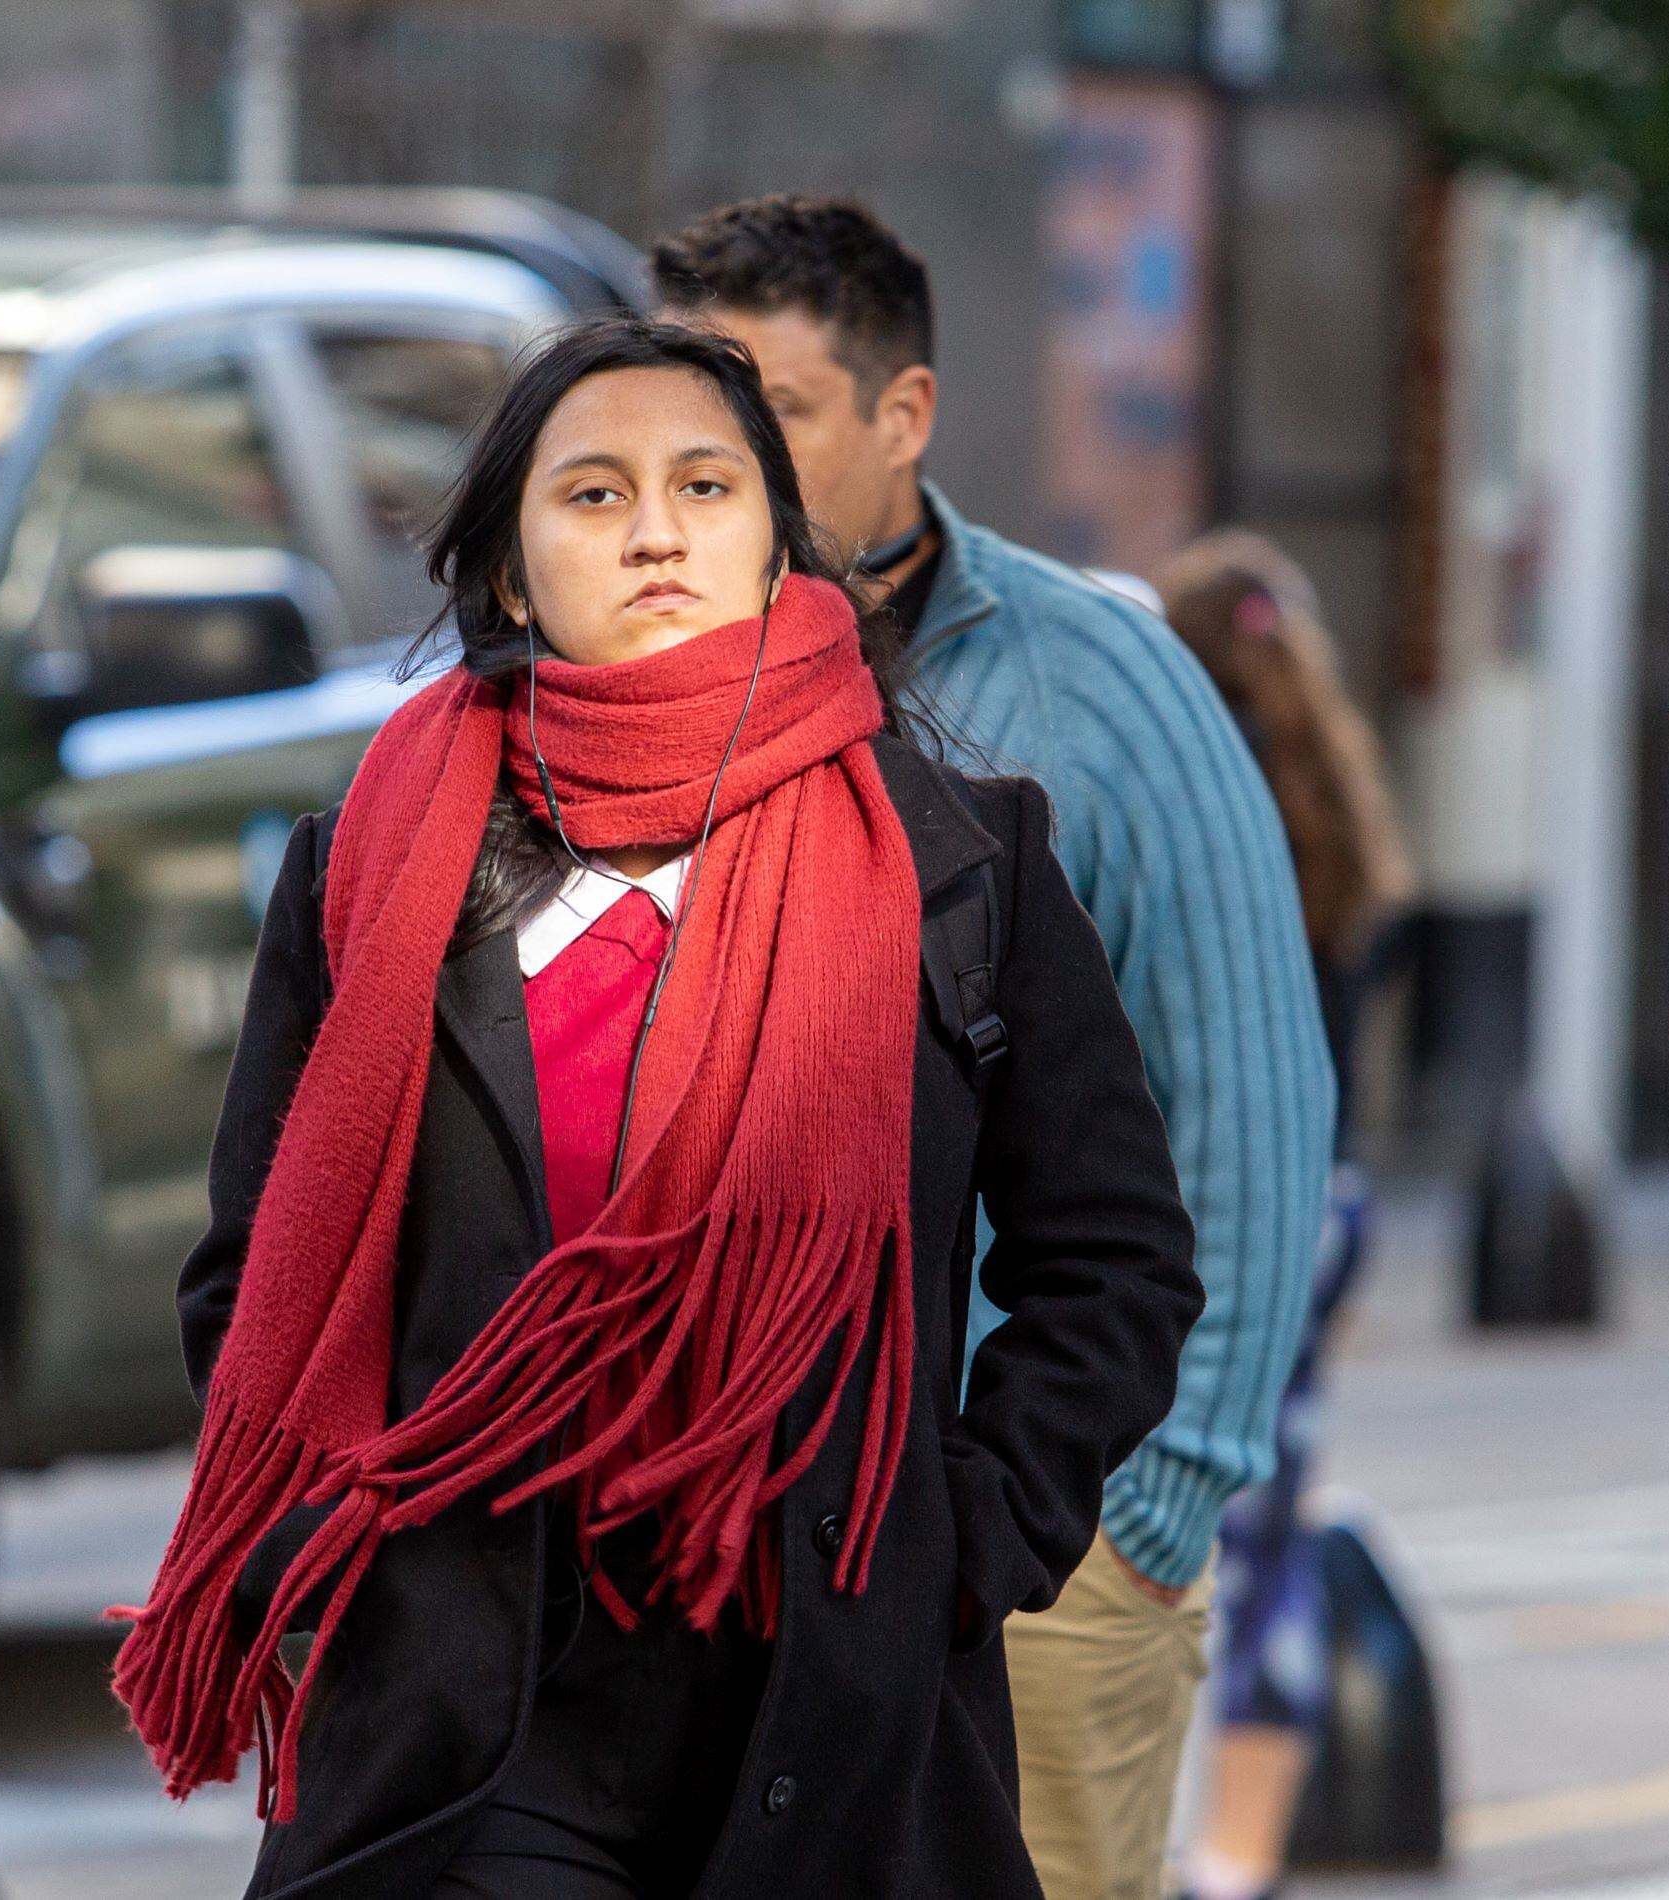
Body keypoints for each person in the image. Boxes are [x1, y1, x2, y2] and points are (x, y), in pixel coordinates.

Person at [113, 314, 1203, 1900]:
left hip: (824, 1686)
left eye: (703, 487)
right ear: (507, 570)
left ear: (775, 551)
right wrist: (339, 1563)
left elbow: (1115, 1263)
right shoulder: (365, 870)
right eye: (594, 496)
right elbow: (252, 1269)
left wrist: (963, 1540)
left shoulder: (961, 866)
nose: (654, 533)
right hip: (479, 1703)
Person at [653, 196, 1335, 1900]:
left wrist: (1132, 1520)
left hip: (1013, 1553)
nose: (720, 462)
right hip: (683, 1557)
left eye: (776, 412)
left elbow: (1246, 1117)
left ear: (902, 418)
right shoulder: (611, 695)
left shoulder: (1099, 686)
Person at [1152, 532, 1415, 1900]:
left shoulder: (1183, 807)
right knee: (1269, 1539)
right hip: (1325, 1206)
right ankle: (1235, 1866)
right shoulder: (1343, 818)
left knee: (1138, 1519)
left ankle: (1131, 1835)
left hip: (1203, 1208)